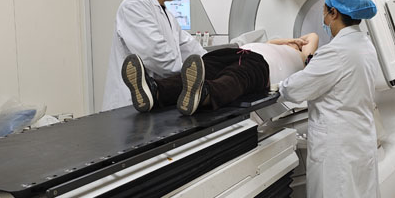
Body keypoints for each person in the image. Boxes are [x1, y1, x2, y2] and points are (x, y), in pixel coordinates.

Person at [278, 0, 381, 198]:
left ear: (334, 13)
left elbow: (295, 90)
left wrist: (280, 85)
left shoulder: (336, 52)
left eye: (325, 11)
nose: (323, 17)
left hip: (338, 148)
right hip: (358, 141)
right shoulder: (364, 44)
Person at [101, 0, 206, 111]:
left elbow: (188, 46)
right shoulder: (134, 5)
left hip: (155, 100)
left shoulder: (166, 12)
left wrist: (209, 62)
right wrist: (193, 74)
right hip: (128, 105)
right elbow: (157, 56)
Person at [121, 33, 319, 116]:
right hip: (239, 52)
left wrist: (296, 43)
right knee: (206, 66)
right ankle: (155, 90)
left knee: (236, 76)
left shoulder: (304, 58)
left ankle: (205, 93)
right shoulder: (272, 44)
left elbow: (313, 36)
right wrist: (288, 40)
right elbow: (272, 41)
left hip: (262, 65)